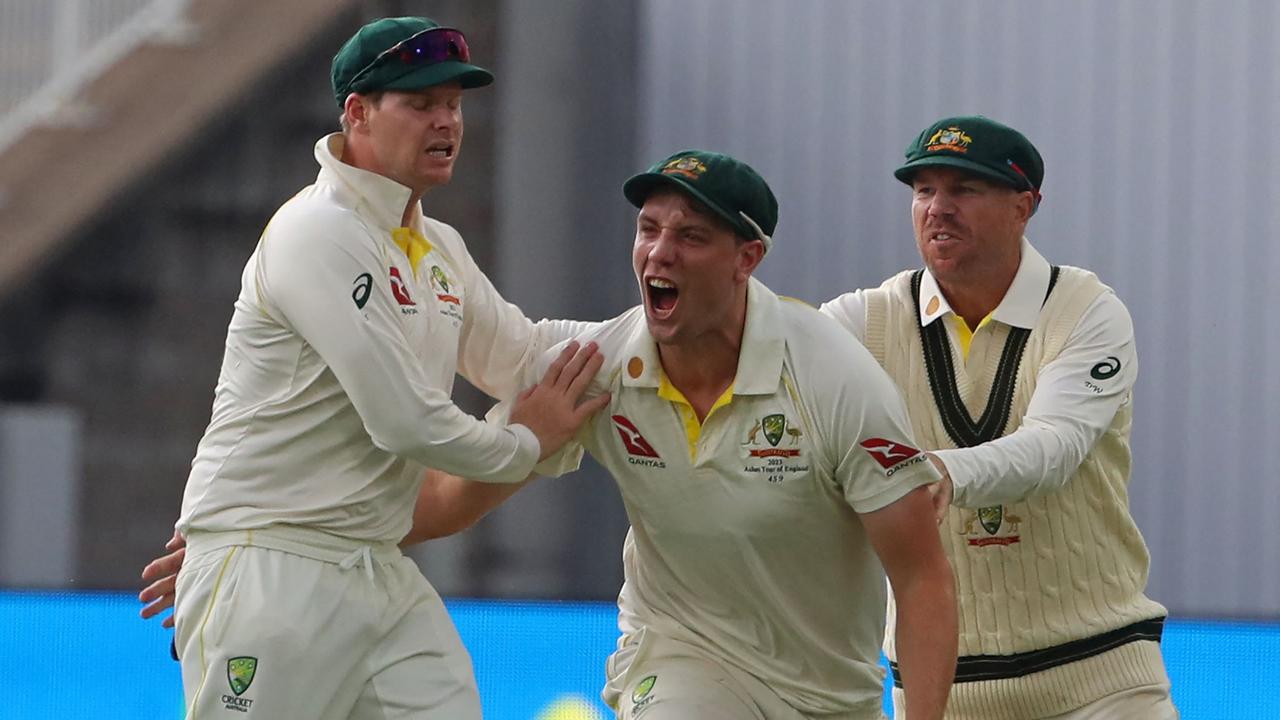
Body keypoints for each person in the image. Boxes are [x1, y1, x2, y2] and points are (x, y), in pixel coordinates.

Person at [147, 149, 960, 719]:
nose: (658, 253)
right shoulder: (603, 367)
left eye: (691, 237)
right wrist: (266, 530)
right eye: (648, 228)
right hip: (680, 659)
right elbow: (454, 499)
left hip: (830, 688)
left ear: (748, 258)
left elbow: (921, 578)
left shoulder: (833, 379)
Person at [160, 15, 609, 720]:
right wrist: (527, 442)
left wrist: (657, 341)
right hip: (272, 563)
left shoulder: (437, 247)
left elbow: (523, 356)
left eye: (454, 105)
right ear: (357, 114)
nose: (446, 122)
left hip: (374, 567)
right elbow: (406, 422)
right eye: (421, 103)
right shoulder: (317, 231)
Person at [819, 116, 1178, 719]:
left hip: (1102, 683)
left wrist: (941, 472)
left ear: (1025, 206)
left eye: (965, 189)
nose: (938, 208)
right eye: (924, 190)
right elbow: (759, 348)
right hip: (942, 693)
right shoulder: (866, 319)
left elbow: (1053, 449)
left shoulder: (1088, 310)